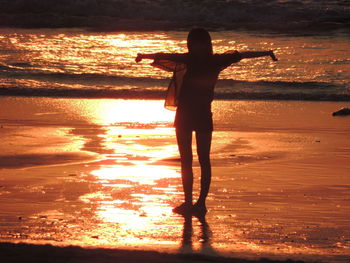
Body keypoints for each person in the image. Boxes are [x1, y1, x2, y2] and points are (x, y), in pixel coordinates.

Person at [136, 28, 277, 216]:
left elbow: (242, 55)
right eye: (193, 43)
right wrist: (144, 55)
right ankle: (188, 203)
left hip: (202, 114)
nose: (196, 46)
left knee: (204, 159)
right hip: (185, 113)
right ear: (190, 45)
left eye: (199, 43)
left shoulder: (216, 60)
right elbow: (164, 55)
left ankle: (201, 204)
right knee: (186, 160)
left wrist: (266, 53)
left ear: (206, 44)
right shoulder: (191, 58)